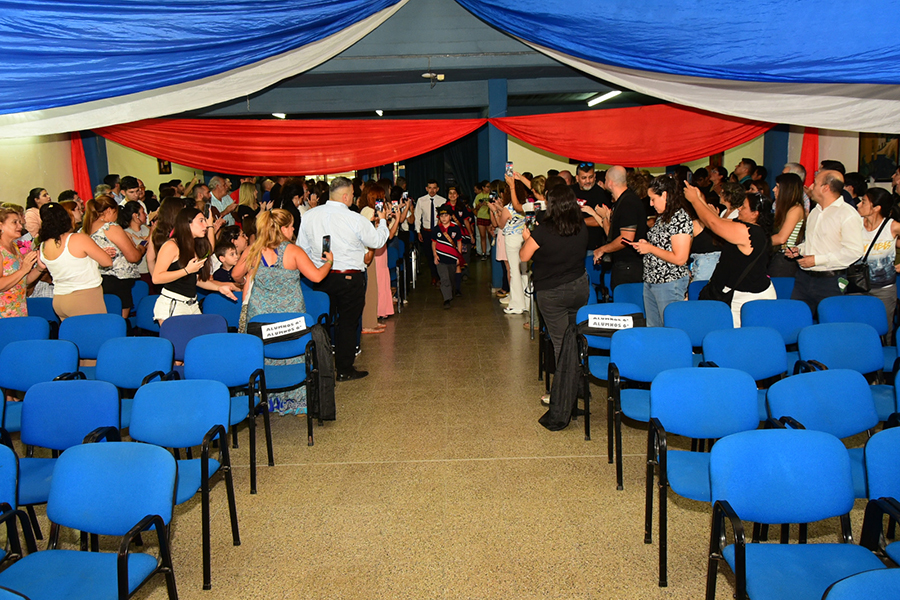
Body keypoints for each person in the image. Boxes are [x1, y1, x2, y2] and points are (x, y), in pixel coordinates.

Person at [232, 209, 332, 415]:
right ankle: (293, 400)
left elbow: (235, 274)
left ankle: (266, 400)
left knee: (265, 355)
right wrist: (329, 262)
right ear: (283, 228)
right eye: (292, 225)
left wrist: (248, 276)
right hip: (291, 320)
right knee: (292, 352)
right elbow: (316, 277)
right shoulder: (293, 251)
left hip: (260, 319)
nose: (294, 229)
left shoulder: (253, 250)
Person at [296, 177, 390, 381]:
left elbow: (301, 248)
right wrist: (382, 220)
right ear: (346, 196)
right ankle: (344, 369)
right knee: (348, 323)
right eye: (353, 194)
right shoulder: (354, 218)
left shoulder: (310, 216)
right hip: (350, 277)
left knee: (323, 321)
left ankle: (321, 364)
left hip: (320, 276)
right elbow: (377, 240)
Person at [520, 184, 589, 404]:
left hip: (552, 291)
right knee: (575, 337)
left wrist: (525, 237)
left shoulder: (544, 230)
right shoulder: (581, 225)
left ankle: (562, 394)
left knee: (560, 343)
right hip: (579, 287)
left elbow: (524, 255)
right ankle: (578, 385)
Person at [686, 187, 776, 326]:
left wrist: (694, 200)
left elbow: (714, 224)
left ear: (755, 214)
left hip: (748, 298)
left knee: (739, 339)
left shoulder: (751, 232)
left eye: (744, 207)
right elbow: (717, 221)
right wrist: (699, 199)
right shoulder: (749, 226)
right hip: (742, 294)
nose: (739, 208)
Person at [785, 170, 864, 317]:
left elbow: (854, 251)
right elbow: (813, 242)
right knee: (797, 319)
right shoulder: (816, 211)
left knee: (831, 324)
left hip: (830, 281)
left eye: (815, 183)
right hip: (804, 279)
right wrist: (799, 249)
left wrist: (817, 260)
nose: (810, 186)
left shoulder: (847, 214)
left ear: (825, 188)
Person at [151, 207, 236, 323]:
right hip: (173, 304)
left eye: (205, 221)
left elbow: (195, 279)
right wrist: (186, 270)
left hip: (191, 304)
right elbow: (156, 278)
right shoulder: (171, 245)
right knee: (178, 341)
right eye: (201, 221)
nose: (205, 225)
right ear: (187, 223)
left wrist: (218, 287)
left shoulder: (193, 245)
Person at [629, 175, 693, 327]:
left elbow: (680, 258)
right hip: (652, 280)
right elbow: (662, 246)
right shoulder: (663, 216)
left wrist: (650, 248)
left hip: (670, 282)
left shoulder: (680, 218)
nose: (651, 204)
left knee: (670, 328)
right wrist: (647, 245)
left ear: (664, 195)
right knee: (654, 329)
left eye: (653, 199)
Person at [37, 202, 114, 319]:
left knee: (72, 336)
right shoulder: (77, 238)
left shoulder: (43, 245)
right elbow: (107, 262)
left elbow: (68, 262)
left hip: (59, 299)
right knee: (95, 334)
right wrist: (101, 254)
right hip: (84, 297)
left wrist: (94, 255)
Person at [585, 165, 647, 290]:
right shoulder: (620, 201)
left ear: (610, 182)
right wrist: (604, 218)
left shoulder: (628, 203)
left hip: (630, 266)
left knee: (626, 304)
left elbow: (626, 239)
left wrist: (603, 249)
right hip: (622, 264)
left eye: (606, 179)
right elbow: (613, 236)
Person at [84, 195, 145, 318]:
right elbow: (133, 257)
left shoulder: (84, 229)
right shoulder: (110, 228)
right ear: (110, 210)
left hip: (94, 280)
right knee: (119, 321)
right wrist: (141, 248)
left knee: (103, 320)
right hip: (118, 281)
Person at [855, 187, 900, 327]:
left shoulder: (892, 226)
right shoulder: (854, 224)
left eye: (863, 202)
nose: (858, 205)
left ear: (876, 208)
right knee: (856, 326)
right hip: (856, 287)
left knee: (883, 329)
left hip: (884, 289)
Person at [0, 207, 41, 317]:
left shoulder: (14, 247)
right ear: (0, 226)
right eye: (15, 222)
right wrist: (24, 269)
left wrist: (39, 268)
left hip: (18, 310)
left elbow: (23, 281)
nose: (20, 226)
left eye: (19, 222)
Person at [500, 174, 530, 315]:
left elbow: (501, 225)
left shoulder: (507, 208)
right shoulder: (526, 205)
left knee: (514, 271)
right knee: (524, 271)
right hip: (524, 237)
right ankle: (527, 302)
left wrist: (496, 211)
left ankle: (517, 304)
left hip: (511, 239)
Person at [768, 172, 806, 277]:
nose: (774, 189)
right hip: (777, 256)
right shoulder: (787, 208)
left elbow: (781, 238)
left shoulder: (795, 209)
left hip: (784, 259)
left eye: (777, 187)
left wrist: (758, 241)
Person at [570, 162, 612, 250]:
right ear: (577, 178)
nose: (588, 181)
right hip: (571, 243)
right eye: (584, 178)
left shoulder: (600, 194)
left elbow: (601, 220)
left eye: (591, 177)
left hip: (591, 245)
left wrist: (576, 222)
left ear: (595, 176)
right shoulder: (570, 191)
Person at [415, 180, 447, 285]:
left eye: (434, 188)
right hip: (426, 231)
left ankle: (440, 275)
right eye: (430, 188)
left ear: (437, 189)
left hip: (439, 231)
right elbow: (417, 217)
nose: (432, 190)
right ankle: (434, 275)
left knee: (439, 253)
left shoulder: (442, 200)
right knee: (429, 254)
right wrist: (418, 231)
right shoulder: (421, 200)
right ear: (426, 188)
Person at [432, 205, 463, 309]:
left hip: (452, 258)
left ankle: (451, 292)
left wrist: (459, 256)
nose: (444, 218)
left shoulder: (455, 228)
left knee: (451, 277)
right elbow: (434, 243)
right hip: (441, 259)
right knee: (444, 278)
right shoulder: (436, 229)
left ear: (450, 216)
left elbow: (459, 242)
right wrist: (435, 255)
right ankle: (446, 299)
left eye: (446, 215)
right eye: (442, 216)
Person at [118, 200, 152, 292]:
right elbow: (143, 246)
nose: (145, 214)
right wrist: (150, 236)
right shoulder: (125, 233)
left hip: (151, 270)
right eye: (142, 212)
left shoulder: (147, 229)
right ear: (135, 215)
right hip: (138, 272)